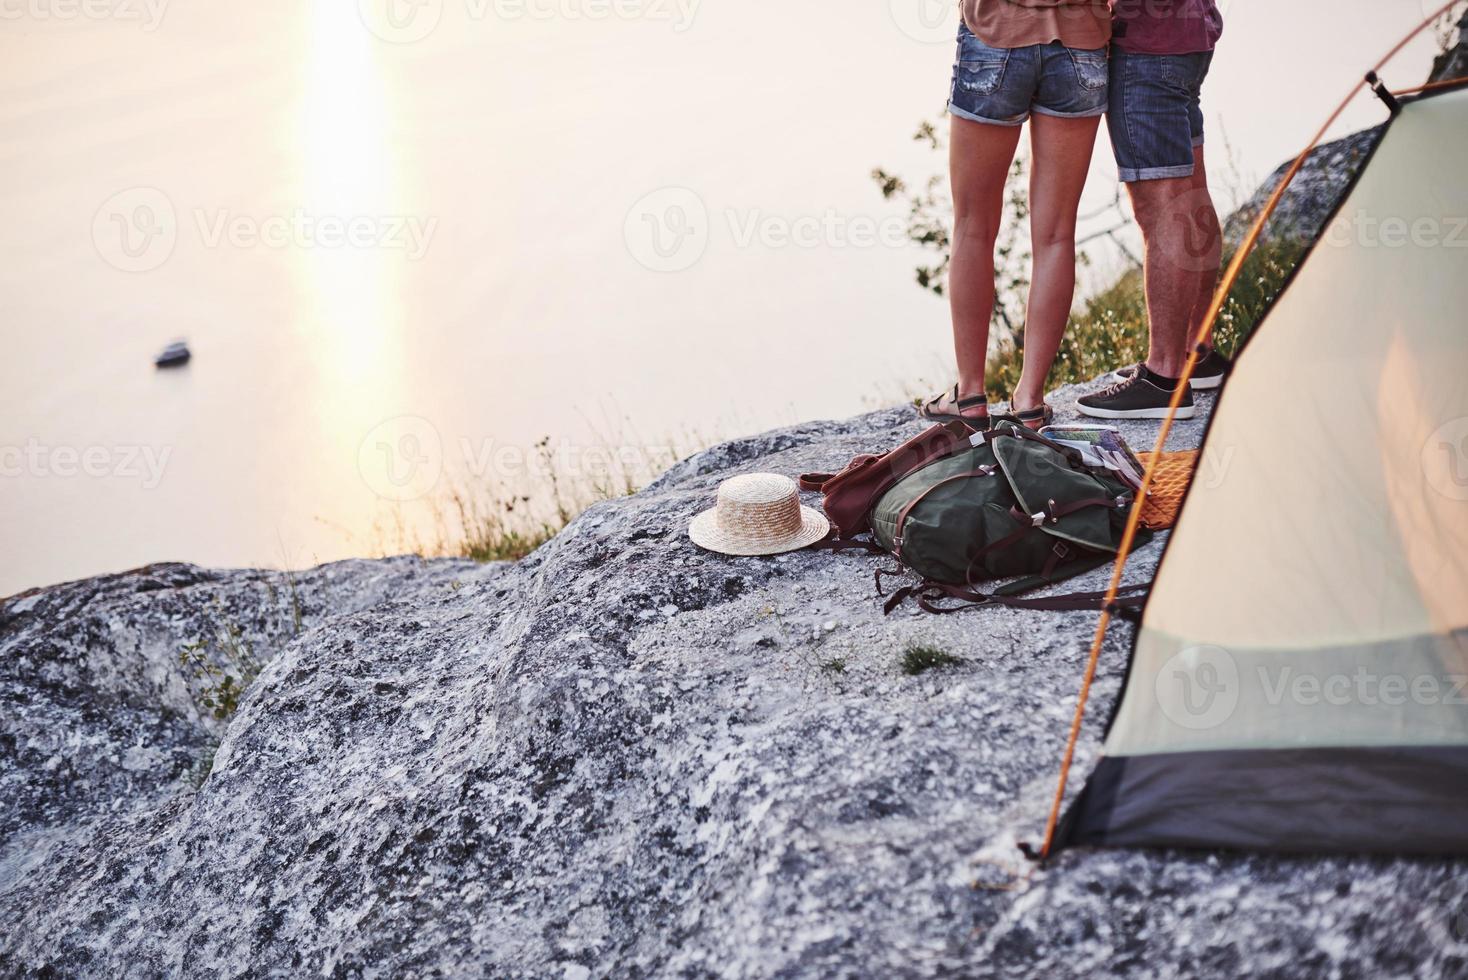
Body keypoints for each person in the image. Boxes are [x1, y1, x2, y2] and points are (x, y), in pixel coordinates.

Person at [921, 0, 1114, 430]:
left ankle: (969, 393)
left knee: (973, 227)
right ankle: (1029, 399)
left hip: (996, 34)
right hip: (1081, 42)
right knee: (1056, 235)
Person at [1076, 0, 1227, 421]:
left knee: (1163, 212)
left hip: (1148, 47)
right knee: (1191, 196)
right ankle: (1197, 351)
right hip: (1189, 36)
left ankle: (1163, 377)